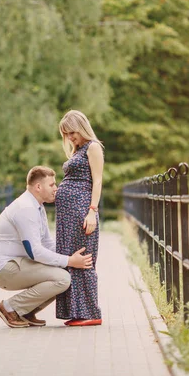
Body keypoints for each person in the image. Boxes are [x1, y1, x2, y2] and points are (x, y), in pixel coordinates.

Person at [0, 166, 94, 328]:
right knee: (62, 278)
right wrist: (69, 261)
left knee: (65, 273)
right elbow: (35, 252)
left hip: (17, 263)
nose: (56, 188)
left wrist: (71, 256)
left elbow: (47, 243)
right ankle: (10, 307)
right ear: (38, 187)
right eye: (51, 185)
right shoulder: (26, 208)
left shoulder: (37, 206)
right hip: (5, 269)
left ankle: (24, 311)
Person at [55, 110, 104, 326]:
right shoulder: (77, 150)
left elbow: (98, 180)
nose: (70, 138)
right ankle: (76, 312)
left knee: (83, 259)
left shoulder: (93, 147)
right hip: (67, 216)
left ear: (82, 127)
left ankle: (91, 313)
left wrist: (92, 210)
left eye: (72, 132)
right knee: (71, 259)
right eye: (66, 134)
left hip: (82, 211)